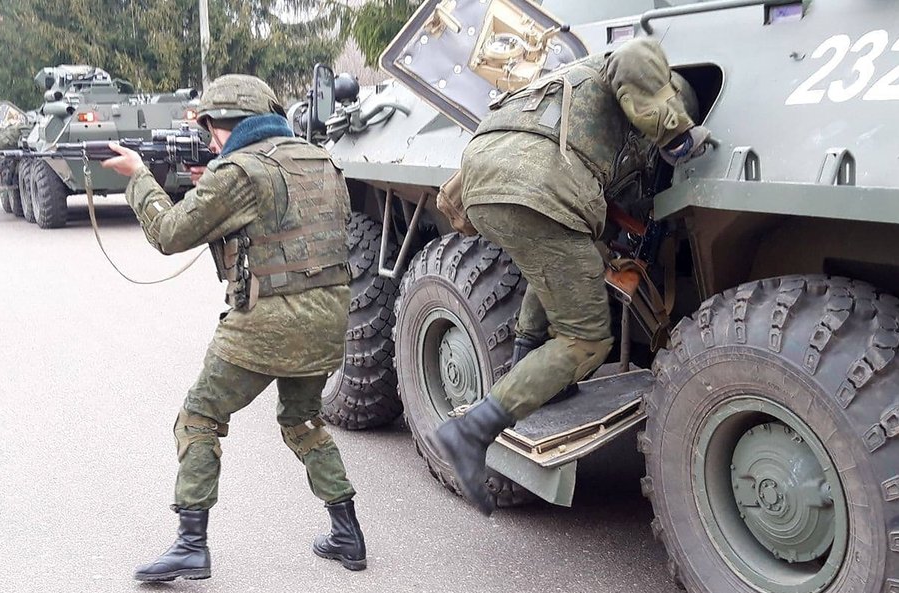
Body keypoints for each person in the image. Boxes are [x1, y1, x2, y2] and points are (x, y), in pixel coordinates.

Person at [431, 38, 712, 516]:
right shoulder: (640, 73)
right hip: (540, 182)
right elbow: (633, 54)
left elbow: (555, 255)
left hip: (484, 178)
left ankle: (528, 358)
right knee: (586, 342)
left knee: (559, 255)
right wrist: (677, 135)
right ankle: (472, 430)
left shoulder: (563, 84)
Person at [102, 74, 366, 581]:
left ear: (222, 124)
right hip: (330, 318)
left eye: (209, 129)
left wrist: (139, 176)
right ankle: (348, 534)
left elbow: (169, 233)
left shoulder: (239, 172)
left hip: (267, 324)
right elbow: (294, 227)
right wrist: (218, 183)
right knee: (302, 421)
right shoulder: (321, 160)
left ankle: (190, 545)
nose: (208, 139)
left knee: (199, 416)